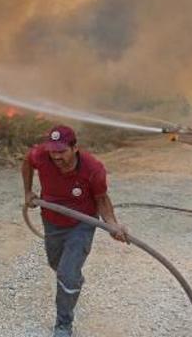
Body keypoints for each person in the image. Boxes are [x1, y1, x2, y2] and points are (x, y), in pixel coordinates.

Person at [22, 125, 129, 337]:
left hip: (82, 224)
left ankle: (63, 324)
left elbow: (102, 200)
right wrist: (27, 191)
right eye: (53, 151)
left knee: (66, 274)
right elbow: (27, 162)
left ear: (75, 148)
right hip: (51, 220)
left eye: (61, 151)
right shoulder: (41, 155)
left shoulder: (93, 169)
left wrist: (112, 225)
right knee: (56, 264)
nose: (56, 156)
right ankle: (73, 279)